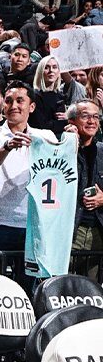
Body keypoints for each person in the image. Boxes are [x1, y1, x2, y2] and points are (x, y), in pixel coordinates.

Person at [0, 82, 36, 261]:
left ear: (31, 107)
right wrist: (7, 146)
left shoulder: (44, 136)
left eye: (20, 101)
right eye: (8, 101)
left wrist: (73, 138)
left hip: (33, 226)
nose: (13, 106)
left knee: (29, 287)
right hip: (0, 224)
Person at [70, 100, 103, 257]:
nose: (92, 121)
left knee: (91, 282)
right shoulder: (59, 148)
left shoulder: (102, 150)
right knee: (63, 281)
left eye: (96, 117)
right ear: (72, 121)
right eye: (85, 116)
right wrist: (68, 143)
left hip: (98, 232)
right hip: (69, 232)